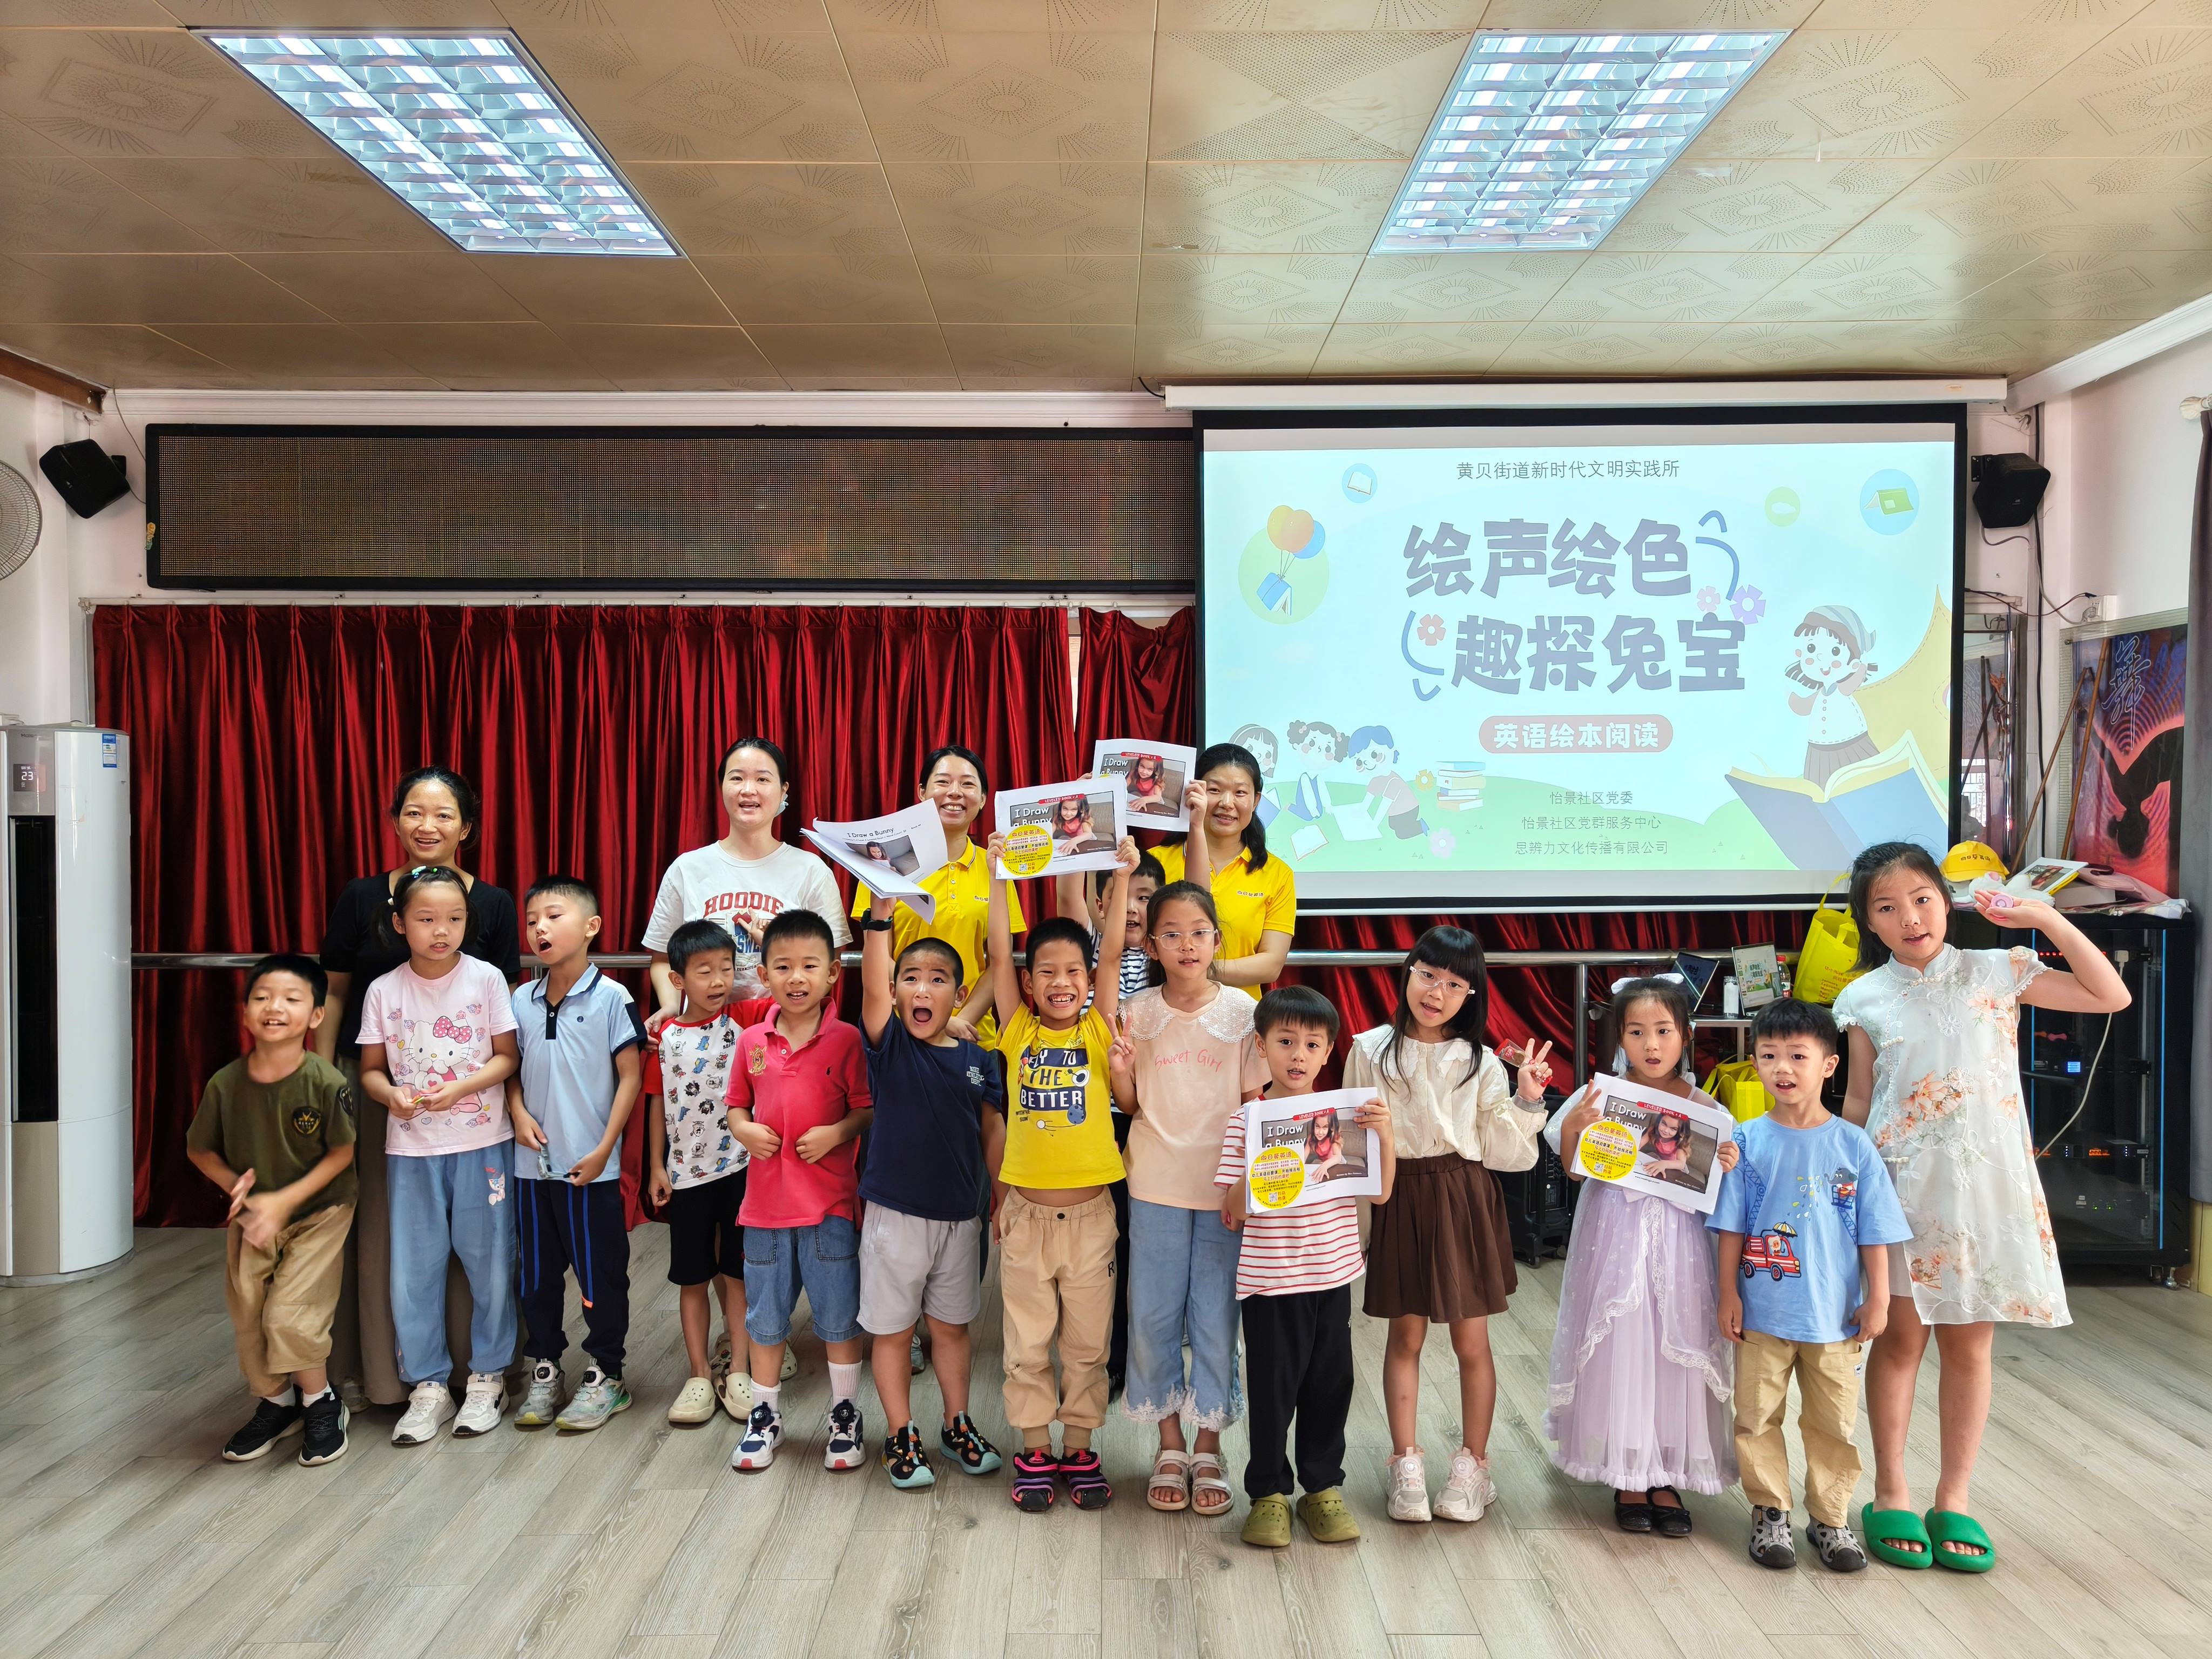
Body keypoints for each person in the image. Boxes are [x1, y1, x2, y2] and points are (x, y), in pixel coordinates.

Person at [1833, 841, 2130, 1573]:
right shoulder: (1863, 998)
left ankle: (1955, 1498)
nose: (1910, 918)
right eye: (1887, 907)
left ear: (1947, 900)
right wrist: (1841, 1188)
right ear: (1869, 922)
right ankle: (1892, 1491)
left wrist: (2044, 920)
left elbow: (2110, 996)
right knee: (1898, 1345)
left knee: (1970, 1349)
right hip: (1901, 1193)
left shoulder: (1999, 970)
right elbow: (1860, 1101)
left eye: (1921, 899)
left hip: (1986, 1195)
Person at [315, 766, 521, 1409]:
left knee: (483, 1244)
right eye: (413, 812)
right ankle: (396, 1378)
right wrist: (326, 1084)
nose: (427, 826)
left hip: (475, 1102)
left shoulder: (492, 905)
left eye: (443, 814)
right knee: (392, 1239)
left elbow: (505, 1025)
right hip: (382, 1091)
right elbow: (335, 993)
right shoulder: (361, 898)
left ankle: (481, 1375)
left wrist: (503, 1095)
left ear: (467, 827)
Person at [1346, 925, 1551, 1525]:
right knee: (1404, 1337)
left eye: (1455, 984)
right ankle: (1405, 1463)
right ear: (1407, 973)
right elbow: (1354, 1143)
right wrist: (1357, 1226)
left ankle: (1474, 1467)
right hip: (1398, 1194)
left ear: (1471, 994)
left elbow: (1508, 1154)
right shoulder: (1370, 1049)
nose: (1437, 992)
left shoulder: (1480, 1062)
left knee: (1471, 1342)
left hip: (1463, 1196)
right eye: (1428, 975)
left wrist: (1527, 1099)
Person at [1712, 998, 1912, 1573]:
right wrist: (1728, 1293)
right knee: (1756, 1417)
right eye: (1768, 1055)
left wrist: (1878, 1298)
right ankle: (1769, 1510)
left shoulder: (1853, 1145)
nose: (1783, 1068)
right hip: (1761, 1311)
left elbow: (1875, 1230)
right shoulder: (1746, 1143)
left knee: (1833, 1423)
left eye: (1798, 1056)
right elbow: (1730, 1227)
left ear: (1829, 1065)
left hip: (1836, 1316)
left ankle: (1830, 1517)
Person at [1543, 977, 1740, 1535]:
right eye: (1636, 1032)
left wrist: (1725, 1162)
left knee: (1672, 1340)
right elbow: (1577, 1170)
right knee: (1624, 1337)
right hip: (1615, 1231)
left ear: (1685, 1036)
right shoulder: (1602, 1096)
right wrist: (1574, 1129)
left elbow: (1717, 1187)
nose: (1651, 1045)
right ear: (1619, 1039)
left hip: (1680, 1241)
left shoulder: (1705, 1107)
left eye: (1663, 1031)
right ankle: (1629, 1471)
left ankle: (1666, 1471)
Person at [986, 831, 1137, 1513]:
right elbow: (998, 953)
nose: (1061, 983)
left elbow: (1112, 954)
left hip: (1092, 1219)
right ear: (1028, 984)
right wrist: (999, 877)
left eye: (1073, 972)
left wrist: (1123, 876)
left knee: (1086, 1345)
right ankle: (1033, 1449)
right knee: (1025, 1344)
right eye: (1046, 971)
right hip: (1025, 1218)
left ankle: (1078, 1448)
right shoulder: (1017, 1030)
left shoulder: (1099, 1027)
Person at [1217, 986, 1396, 1549]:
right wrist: (1265, 1164)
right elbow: (1231, 1211)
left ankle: (1321, 1487)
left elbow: (1382, 1192)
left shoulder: (1346, 1118)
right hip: (1271, 1282)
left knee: (1330, 1387)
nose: (1298, 1054)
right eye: (1286, 1041)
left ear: (1328, 1053)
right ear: (1261, 1046)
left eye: (1312, 1044)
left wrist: (1385, 1135)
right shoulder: (1247, 1120)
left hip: (1333, 1276)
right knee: (1272, 1392)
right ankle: (1269, 1494)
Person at [1109, 880, 1265, 1517]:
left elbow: (1254, 1105)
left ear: (1217, 940)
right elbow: (1130, 1105)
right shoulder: (1137, 1011)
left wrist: (1243, 1184)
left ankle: (1208, 1446)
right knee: (1151, 1317)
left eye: (1198, 933)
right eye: (1170, 934)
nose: (1186, 945)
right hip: (1154, 1183)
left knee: (1215, 1319)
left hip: (1221, 1188)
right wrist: (1121, 1071)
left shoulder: (1244, 1012)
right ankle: (1168, 1443)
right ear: (1151, 946)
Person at [354, 865, 521, 1447]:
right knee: (413, 1272)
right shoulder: (384, 990)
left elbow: (507, 1057)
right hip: (411, 1150)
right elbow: (371, 1070)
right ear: (401, 924)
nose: (441, 930)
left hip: (483, 1143)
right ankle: (427, 1385)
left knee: (491, 1264)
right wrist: (390, 1096)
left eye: (454, 919)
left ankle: (488, 1377)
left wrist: (461, 1088)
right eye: (426, 919)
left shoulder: (487, 980)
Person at [857, 892, 1007, 1489]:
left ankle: (956, 1423)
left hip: (960, 1218)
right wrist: (880, 916)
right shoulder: (889, 1044)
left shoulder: (980, 1059)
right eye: (910, 978)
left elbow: (992, 1132)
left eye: (938, 979)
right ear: (895, 992)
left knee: (951, 1327)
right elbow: (871, 987)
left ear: (960, 994)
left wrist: (1001, 1199)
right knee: (894, 1331)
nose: (923, 988)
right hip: (896, 1218)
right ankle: (900, 1432)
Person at [186, 954, 358, 1468]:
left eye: (290, 999)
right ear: (244, 1013)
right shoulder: (225, 1084)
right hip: (254, 1217)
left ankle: (321, 1402)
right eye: (261, 998)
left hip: (320, 1212)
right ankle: (279, 1403)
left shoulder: (326, 1081)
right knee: (248, 1311)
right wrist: (236, 1188)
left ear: (316, 1015)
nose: (274, 1008)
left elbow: (342, 1154)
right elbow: (200, 1149)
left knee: (291, 1312)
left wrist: (284, 1201)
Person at [726, 910, 873, 1473]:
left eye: (810, 966)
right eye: (783, 966)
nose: (796, 978)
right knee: (765, 1320)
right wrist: (743, 1130)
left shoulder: (847, 1039)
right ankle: (764, 1415)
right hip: (763, 1210)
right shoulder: (751, 1041)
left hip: (829, 1207)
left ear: (833, 972)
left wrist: (836, 1132)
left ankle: (845, 1413)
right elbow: (736, 1106)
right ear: (764, 975)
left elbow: (866, 1110)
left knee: (839, 1316)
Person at [508, 876, 644, 1435]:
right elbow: (509, 1068)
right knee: (536, 1278)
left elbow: (631, 1077)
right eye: (532, 920)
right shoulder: (520, 1000)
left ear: (592, 927)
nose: (539, 928)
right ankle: (545, 1367)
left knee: (599, 1276)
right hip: (530, 1168)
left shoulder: (613, 997)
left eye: (553, 916)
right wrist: (517, 1112)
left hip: (591, 1168)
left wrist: (605, 1147)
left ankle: (606, 1373)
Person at [645, 920, 777, 1427]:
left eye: (727, 968)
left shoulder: (746, 1021)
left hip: (741, 1171)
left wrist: (766, 945)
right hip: (686, 1177)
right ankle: (699, 1374)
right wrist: (656, 1166)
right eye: (705, 971)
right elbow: (657, 1102)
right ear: (678, 980)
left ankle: (738, 1368)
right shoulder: (664, 1037)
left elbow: (792, 998)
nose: (719, 980)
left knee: (737, 1275)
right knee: (692, 1277)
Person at [1055, 844, 1167, 1398]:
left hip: (1142, 1121)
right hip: (1088, 1122)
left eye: (1146, 898)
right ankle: (1085, 1354)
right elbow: (1067, 894)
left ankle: (1124, 1357)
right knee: (1088, 1248)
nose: (1133, 908)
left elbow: (1196, 894)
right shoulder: (1090, 951)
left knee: (1129, 1244)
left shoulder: (1163, 960)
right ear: (1100, 904)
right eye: (1124, 895)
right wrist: (1083, 833)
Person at [642, 737, 849, 1021]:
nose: (748, 789)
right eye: (737, 778)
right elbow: (663, 957)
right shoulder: (687, 868)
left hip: (783, 1029)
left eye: (763, 779)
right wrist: (670, 1006)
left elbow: (829, 962)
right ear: (722, 787)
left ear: (783, 790)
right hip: (705, 1032)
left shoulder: (812, 871)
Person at [852, 745, 1024, 1043]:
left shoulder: (995, 868)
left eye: (968, 784)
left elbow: (1000, 962)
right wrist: (937, 1019)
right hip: (900, 1033)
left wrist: (960, 1021)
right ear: (922, 792)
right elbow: (877, 955)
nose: (955, 793)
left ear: (983, 799)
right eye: (943, 782)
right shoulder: (882, 864)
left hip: (971, 1037)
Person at [1152, 743, 1294, 1000]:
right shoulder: (1155, 862)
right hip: (1164, 1007)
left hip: (1242, 1014)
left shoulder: (1277, 873)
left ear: (1256, 801)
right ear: (1193, 791)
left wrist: (1195, 967)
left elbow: (1271, 964)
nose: (1227, 803)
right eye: (1215, 790)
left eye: (1240, 793)